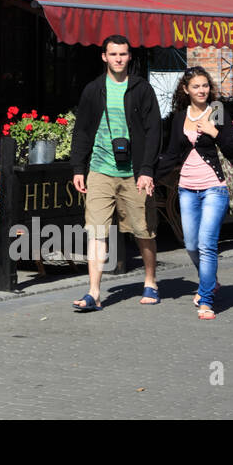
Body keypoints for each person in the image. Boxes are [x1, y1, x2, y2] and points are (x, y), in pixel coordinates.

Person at [69, 35, 162, 311]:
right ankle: (94, 293)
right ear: (104, 57)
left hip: (135, 172)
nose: (118, 59)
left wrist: (147, 170)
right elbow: (82, 130)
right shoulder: (93, 90)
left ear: (129, 57)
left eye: (123, 54)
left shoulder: (142, 89)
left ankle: (150, 281)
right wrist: (78, 167)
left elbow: (154, 130)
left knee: (143, 230)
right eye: (113, 54)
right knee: (96, 230)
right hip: (99, 170)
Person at [155, 67, 233, 320]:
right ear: (186, 89)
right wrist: (150, 176)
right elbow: (171, 155)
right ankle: (211, 281)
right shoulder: (179, 117)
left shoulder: (217, 112)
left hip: (215, 187)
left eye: (205, 86)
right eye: (196, 86)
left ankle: (206, 299)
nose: (202, 90)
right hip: (187, 189)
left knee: (207, 243)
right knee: (191, 243)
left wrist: (214, 131)